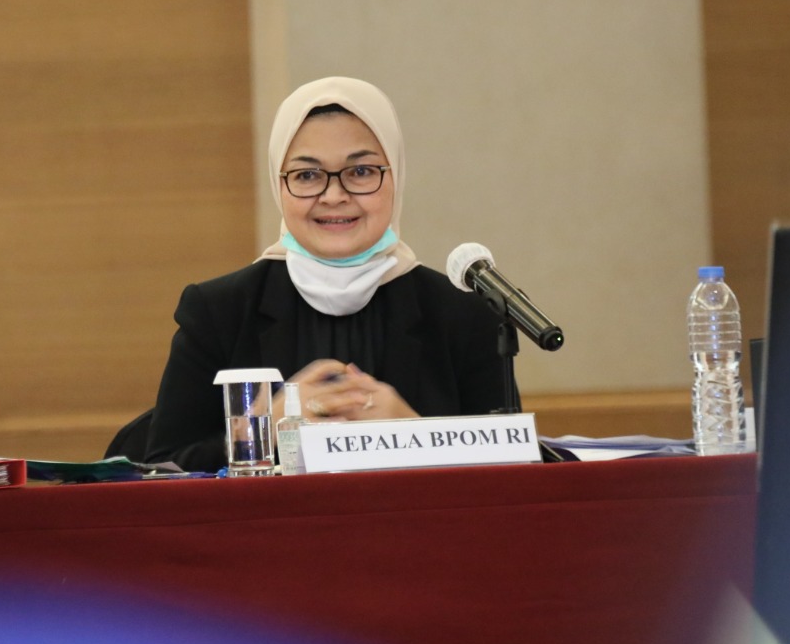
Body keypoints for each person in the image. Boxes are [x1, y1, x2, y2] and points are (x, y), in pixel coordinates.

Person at [145, 76, 514, 472]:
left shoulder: (463, 312)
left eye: (361, 171)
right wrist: (262, 429)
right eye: (307, 175)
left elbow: (513, 476)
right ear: (278, 184)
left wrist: (413, 432)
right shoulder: (219, 311)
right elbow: (158, 473)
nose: (334, 196)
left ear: (396, 176)